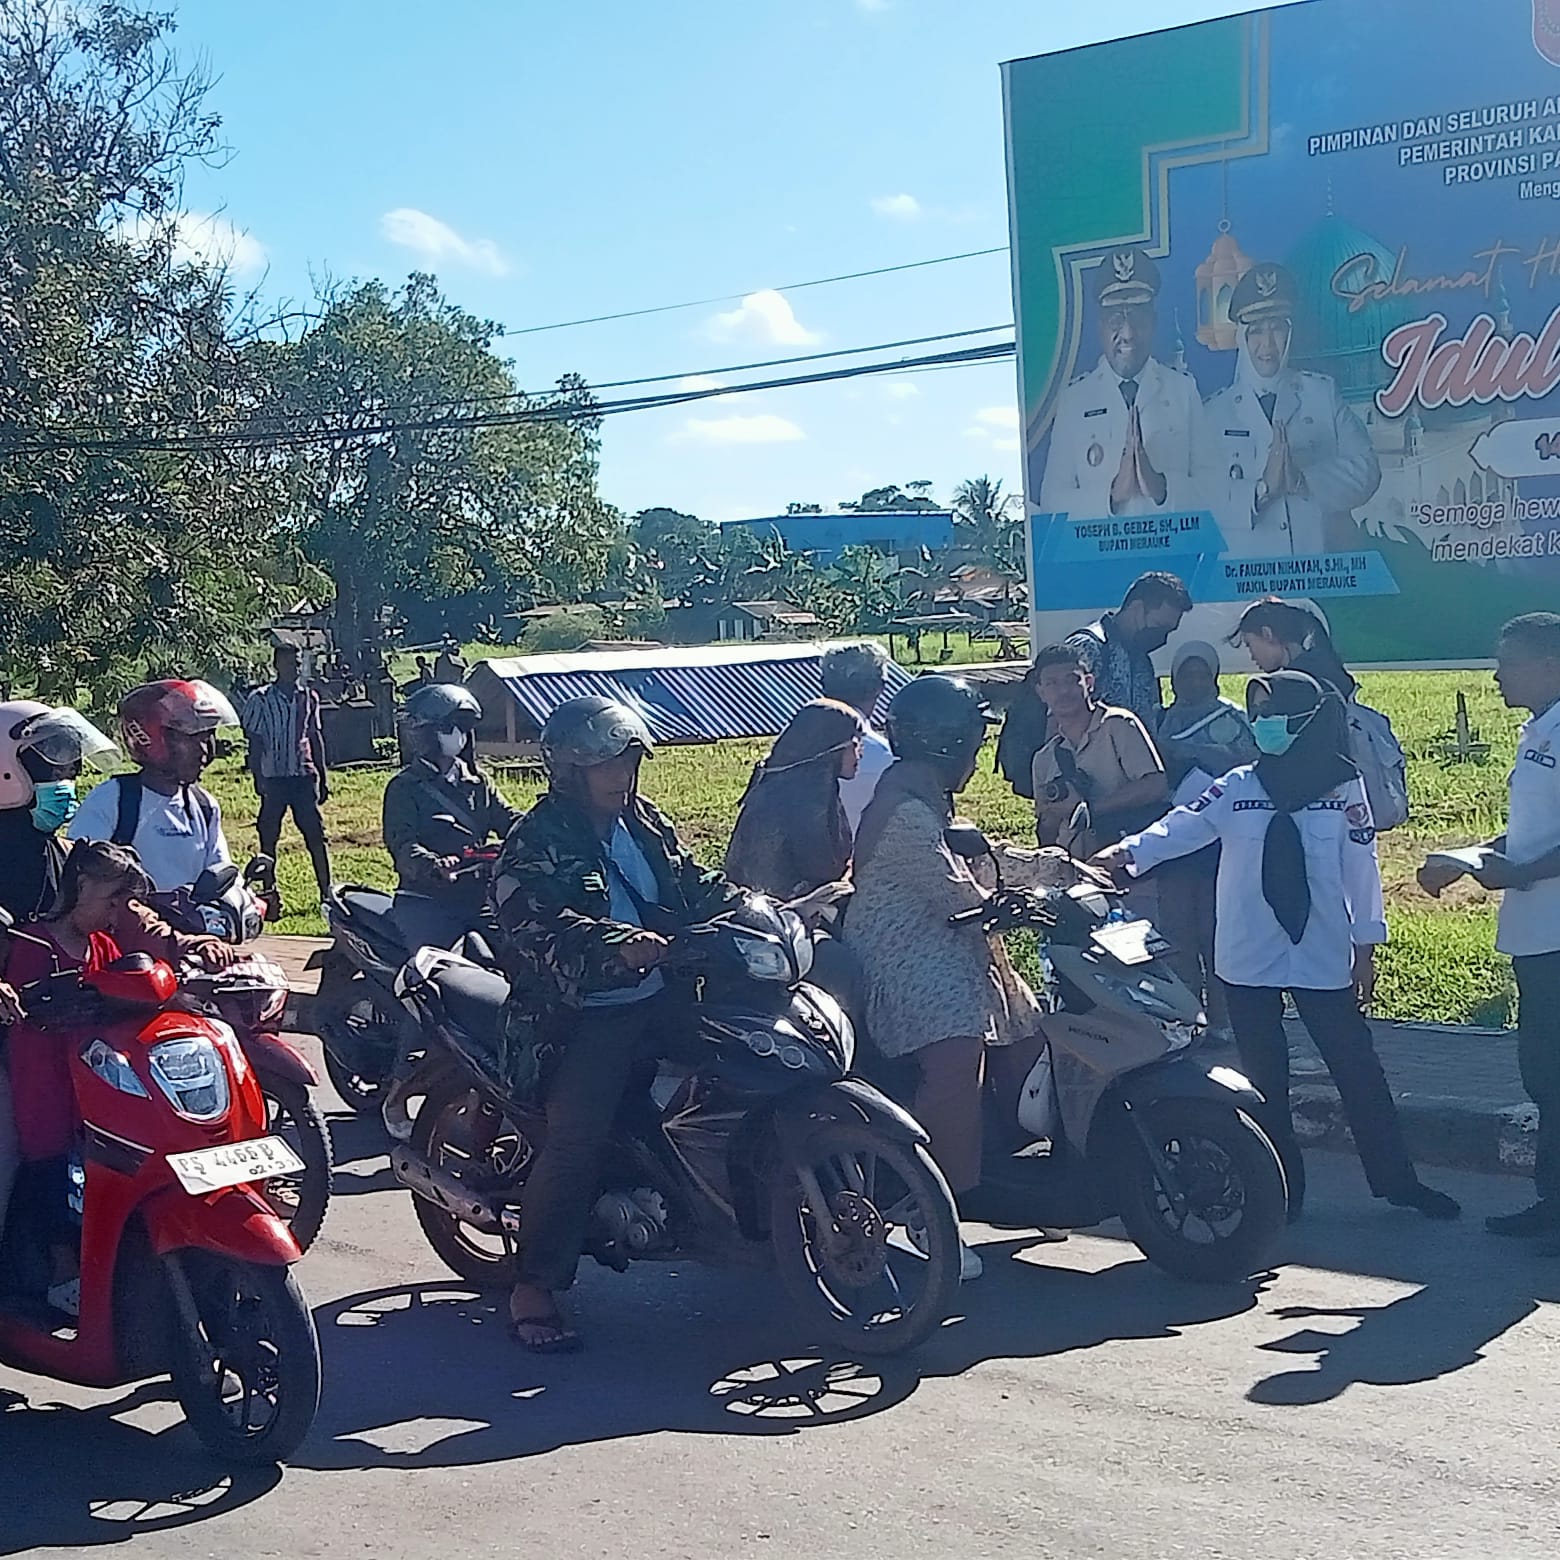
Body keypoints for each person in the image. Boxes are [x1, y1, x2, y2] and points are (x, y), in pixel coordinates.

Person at [1095, 672, 1459, 1221]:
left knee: (1357, 1068)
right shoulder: (1239, 783)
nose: (1262, 725)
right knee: (1265, 1081)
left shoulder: (1344, 788)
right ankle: (1282, 1192)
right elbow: (1183, 826)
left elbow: (1361, 868)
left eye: (1273, 714)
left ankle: (1398, 1182)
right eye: (1257, 713)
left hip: (1321, 949)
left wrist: (1367, 944)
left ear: (1307, 719)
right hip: (1247, 952)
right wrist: (1125, 853)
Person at [490, 696, 748, 1352]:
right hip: (581, 1017)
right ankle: (534, 1283)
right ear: (570, 769)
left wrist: (758, 906)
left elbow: (697, 883)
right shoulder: (537, 838)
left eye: (628, 758)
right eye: (604, 761)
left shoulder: (647, 824)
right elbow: (535, 924)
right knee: (576, 1140)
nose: (620, 773)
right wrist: (613, 945)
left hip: (665, 998)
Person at [844, 676, 1043, 1282]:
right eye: (972, 745)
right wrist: (1004, 900)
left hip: (951, 946)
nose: (978, 758)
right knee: (959, 1054)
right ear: (944, 744)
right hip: (905, 958)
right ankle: (931, 1210)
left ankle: (998, 1177)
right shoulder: (904, 809)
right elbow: (953, 888)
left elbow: (980, 853)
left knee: (1031, 1039)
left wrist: (1067, 868)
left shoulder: (925, 794)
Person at [2, 842, 237, 1312]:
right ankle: (60, 1272)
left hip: (97, 1079)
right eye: (112, 898)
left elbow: (147, 966)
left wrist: (193, 950)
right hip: (41, 1078)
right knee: (47, 1166)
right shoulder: (33, 945)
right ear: (82, 886)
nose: (117, 910)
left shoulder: (105, 945)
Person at [1420, 614, 1560, 1238]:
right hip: (1536, 931)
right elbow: (1531, 833)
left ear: (1550, 664)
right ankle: (1551, 1203)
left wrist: (1523, 869)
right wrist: (1473, 856)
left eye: (1509, 660)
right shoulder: (1539, 731)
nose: (1497, 672)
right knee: (1543, 1075)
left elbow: (1536, 854)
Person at [1203, 262, 1380, 558]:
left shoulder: (1322, 394)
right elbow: (1202, 498)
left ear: (1290, 332)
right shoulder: (1213, 413)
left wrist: (1302, 480)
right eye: (1257, 331)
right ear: (1242, 339)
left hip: (1319, 576)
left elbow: (1367, 470)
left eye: (1276, 329)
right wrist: (1262, 490)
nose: (1267, 344)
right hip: (1249, 585)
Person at [1039, 248, 1208, 521]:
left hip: (1173, 557)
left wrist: (1162, 487)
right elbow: (1051, 501)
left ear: (1153, 322)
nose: (1127, 334)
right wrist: (1113, 494)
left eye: (1138, 318)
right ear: (1100, 326)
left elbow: (1215, 487)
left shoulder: (1183, 390)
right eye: (1116, 318)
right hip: (1102, 560)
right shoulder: (1075, 400)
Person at [994, 571, 1191, 796]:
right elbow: (1056, 714)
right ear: (1137, 608)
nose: (1162, 636)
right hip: (1088, 789)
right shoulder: (1089, 647)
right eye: (1159, 626)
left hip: (1135, 789)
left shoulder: (1141, 658)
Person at [1152, 642, 1257, 1032]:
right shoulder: (1159, 720)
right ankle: (1188, 1018)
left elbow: (1251, 761)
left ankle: (1224, 1020)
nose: (1193, 682)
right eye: (1185, 675)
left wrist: (1204, 753)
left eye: (1201, 674)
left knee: (1217, 931)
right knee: (1177, 932)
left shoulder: (1235, 718)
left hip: (1220, 841)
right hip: (1176, 839)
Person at [382, 683, 521, 954]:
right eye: (450, 727)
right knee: (434, 975)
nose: (459, 735)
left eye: (464, 727)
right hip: (427, 903)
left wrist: (541, 830)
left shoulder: (478, 782)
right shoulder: (404, 788)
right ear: (425, 733)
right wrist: (434, 866)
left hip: (479, 897)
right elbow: (403, 845)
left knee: (520, 953)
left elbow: (508, 818)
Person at [67, 679, 238, 891]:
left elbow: (221, 873)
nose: (204, 750)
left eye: (208, 737)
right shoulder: (113, 800)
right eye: (192, 738)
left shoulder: (204, 806)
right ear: (150, 737)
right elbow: (79, 877)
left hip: (195, 923)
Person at [1029, 643, 1168, 859]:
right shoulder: (1044, 759)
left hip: (1127, 860)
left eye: (1071, 680)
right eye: (1052, 683)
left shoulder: (1118, 725)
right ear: (1041, 692)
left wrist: (1089, 809)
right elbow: (1045, 833)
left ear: (1089, 683)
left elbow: (1155, 785)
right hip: (1074, 868)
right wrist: (1053, 815)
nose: (1063, 691)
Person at [725, 700, 862, 899]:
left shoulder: (800, 784)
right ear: (830, 749)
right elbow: (823, 873)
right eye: (855, 744)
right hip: (778, 913)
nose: (860, 754)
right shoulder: (802, 797)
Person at [240, 645, 331, 900]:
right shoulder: (261, 699)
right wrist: (258, 778)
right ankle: (270, 892)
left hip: (303, 775)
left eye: (298, 663)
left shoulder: (308, 697)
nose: (296, 668)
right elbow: (255, 741)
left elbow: (314, 736)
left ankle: (326, 891)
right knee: (268, 837)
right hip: (274, 777)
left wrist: (322, 777)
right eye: (290, 663)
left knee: (316, 835)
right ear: (277, 666)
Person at [821, 641, 894, 831]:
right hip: (862, 858)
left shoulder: (788, 750)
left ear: (824, 686)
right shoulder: (886, 758)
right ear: (880, 686)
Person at [1232, 597, 1356, 699]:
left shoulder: (1289, 688)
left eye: (1249, 645)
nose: (1252, 656)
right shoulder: (1332, 670)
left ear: (1267, 634)